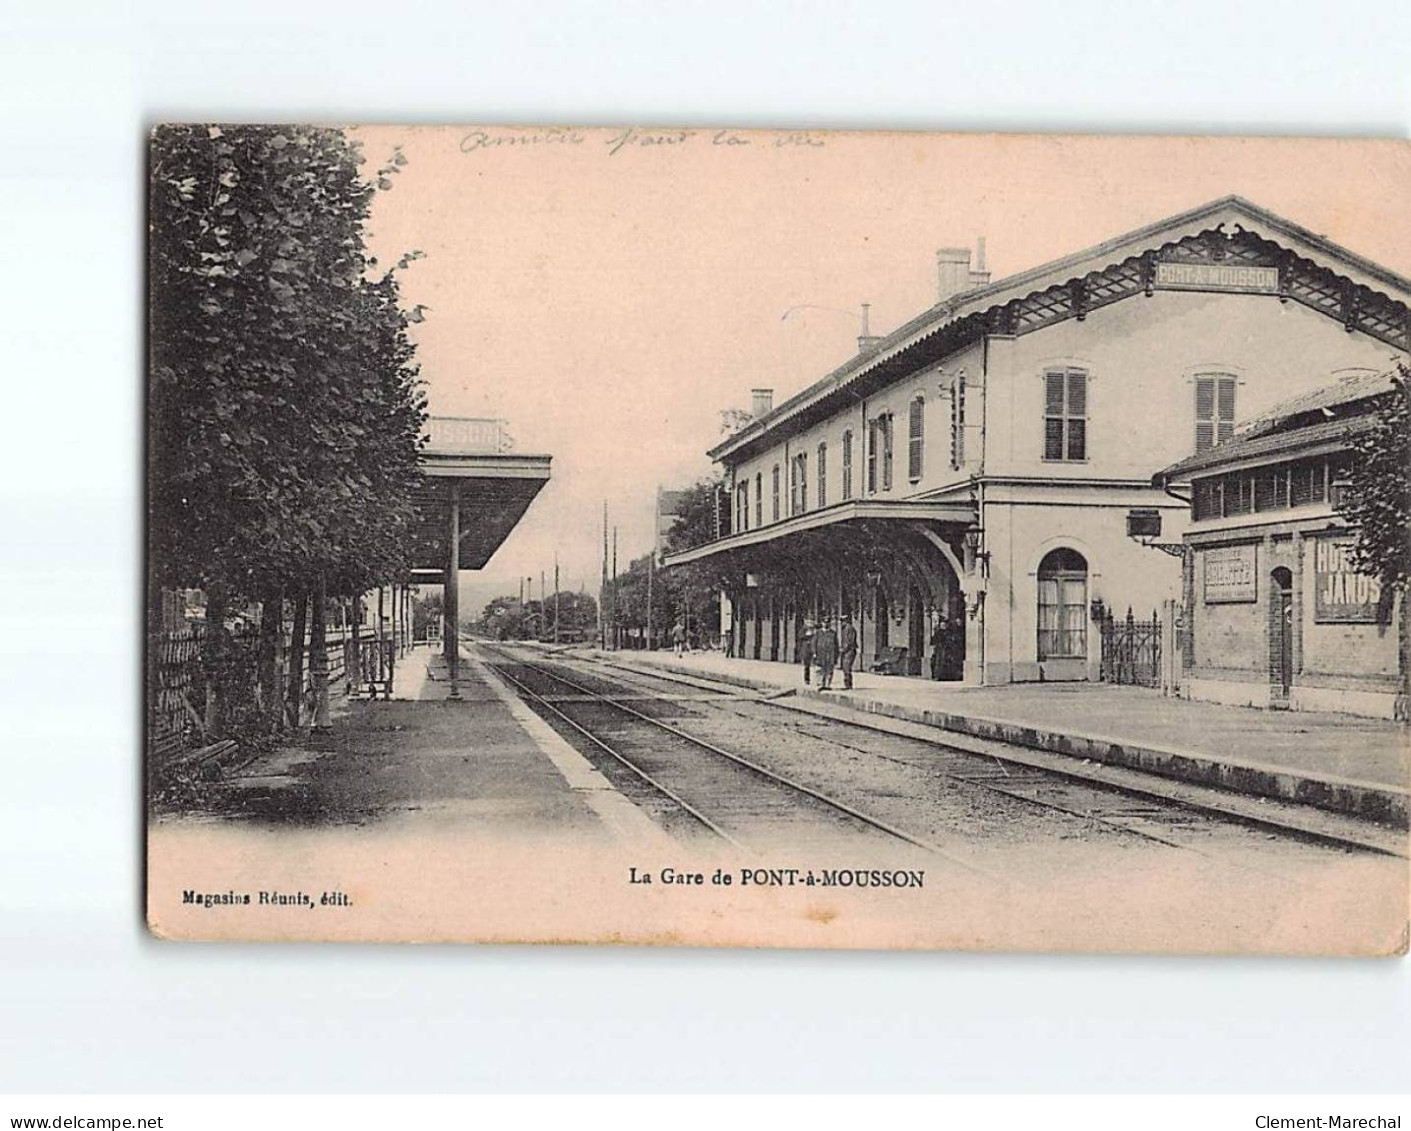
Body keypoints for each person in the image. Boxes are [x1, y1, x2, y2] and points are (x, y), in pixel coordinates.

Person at [813, 618, 839, 690]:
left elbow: (836, 645)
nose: (826, 624)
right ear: (822, 623)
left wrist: (836, 656)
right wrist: (814, 653)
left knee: (829, 670)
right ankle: (820, 684)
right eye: (824, 623)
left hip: (829, 655)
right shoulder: (818, 633)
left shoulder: (832, 633)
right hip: (820, 654)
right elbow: (814, 643)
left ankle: (827, 685)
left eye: (828, 623)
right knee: (819, 670)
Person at [929, 609, 951, 681]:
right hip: (939, 649)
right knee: (936, 661)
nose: (944, 626)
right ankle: (936, 675)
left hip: (946, 649)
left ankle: (944, 676)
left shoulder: (948, 632)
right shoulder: (938, 632)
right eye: (942, 624)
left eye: (945, 625)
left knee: (944, 662)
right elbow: (933, 641)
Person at [838, 614, 858, 689]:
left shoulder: (850, 629)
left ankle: (849, 685)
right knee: (845, 667)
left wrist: (843, 650)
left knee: (847, 667)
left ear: (846, 621)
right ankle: (847, 684)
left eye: (842, 621)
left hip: (850, 651)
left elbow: (850, 642)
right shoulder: (845, 629)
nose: (841, 623)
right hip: (846, 651)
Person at [800, 618, 815, 685]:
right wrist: (807, 635)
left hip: (814, 650)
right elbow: (800, 636)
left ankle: (818, 680)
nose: (810, 624)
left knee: (817, 666)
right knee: (807, 666)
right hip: (806, 651)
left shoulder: (815, 631)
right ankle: (807, 679)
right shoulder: (803, 631)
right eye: (808, 622)